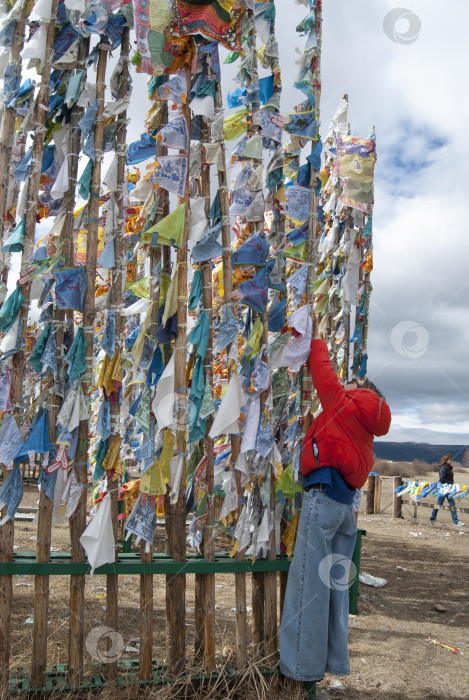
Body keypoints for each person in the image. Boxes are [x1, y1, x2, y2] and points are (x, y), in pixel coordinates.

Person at [279, 315, 391, 684]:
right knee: (333, 593)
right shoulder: (364, 428)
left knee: (308, 587)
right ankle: (332, 664)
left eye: (353, 381)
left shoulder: (345, 405)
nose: (346, 382)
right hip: (344, 511)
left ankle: (300, 672)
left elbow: (324, 374)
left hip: (324, 500)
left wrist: (316, 335)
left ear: (362, 392)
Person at [430, 454, 465, 526]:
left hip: (449, 489)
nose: (451, 461)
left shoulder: (448, 468)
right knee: (439, 503)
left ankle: (456, 521)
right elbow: (442, 478)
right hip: (444, 489)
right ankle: (433, 518)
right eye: (450, 460)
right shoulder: (443, 468)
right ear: (446, 460)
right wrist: (449, 484)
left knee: (452, 504)